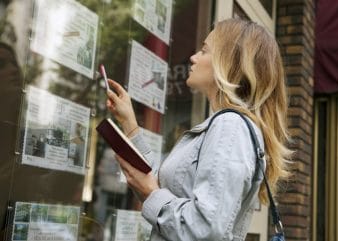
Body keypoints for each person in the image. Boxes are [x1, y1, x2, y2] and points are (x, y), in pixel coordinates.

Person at [106, 18, 292, 241]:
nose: (193, 57)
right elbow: (162, 187)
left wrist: (151, 194)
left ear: (229, 64)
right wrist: (130, 124)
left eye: (204, 50)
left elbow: (205, 229)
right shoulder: (223, 126)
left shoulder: (230, 127)